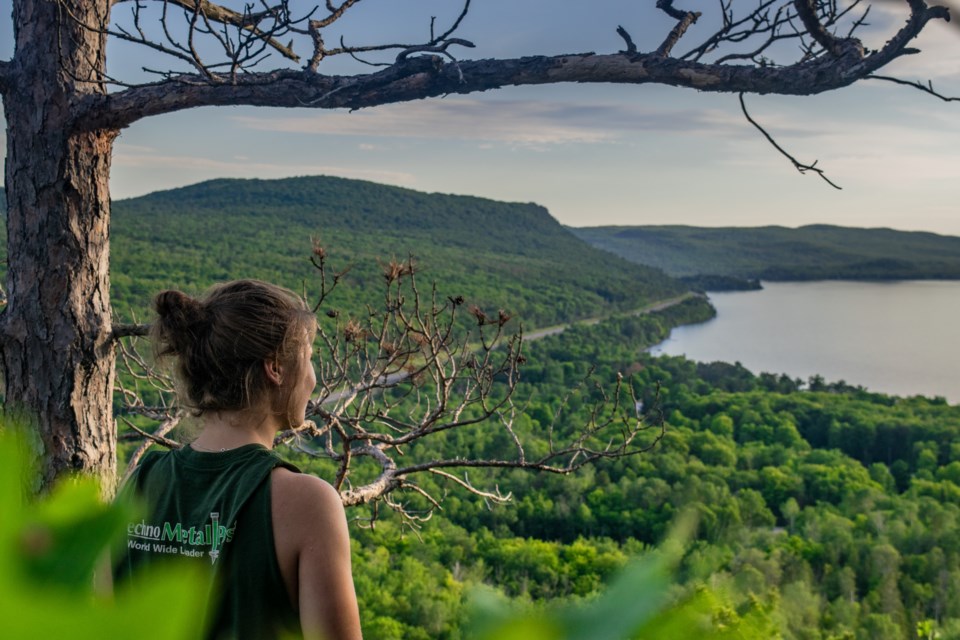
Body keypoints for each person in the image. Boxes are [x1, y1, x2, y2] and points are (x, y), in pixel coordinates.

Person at [114, 279, 362, 640]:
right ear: (275, 367)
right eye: (309, 360)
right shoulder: (308, 504)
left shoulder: (137, 484)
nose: (312, 378)